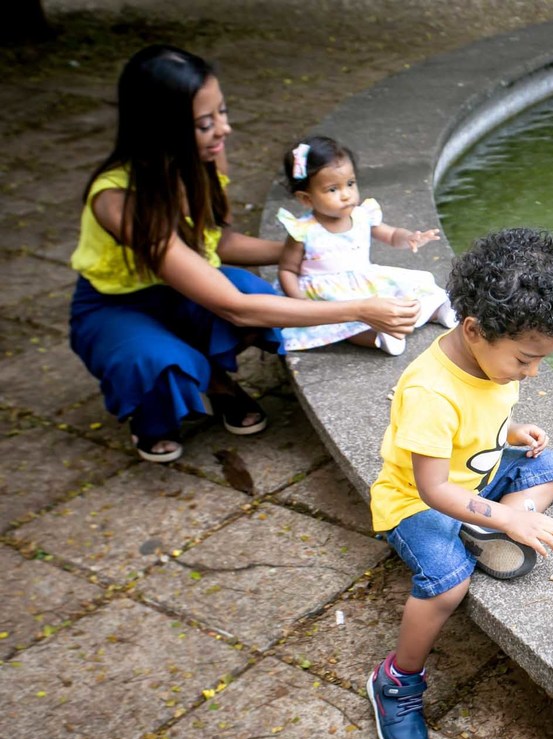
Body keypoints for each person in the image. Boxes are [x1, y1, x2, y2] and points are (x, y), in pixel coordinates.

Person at [68, 45, 420, 463]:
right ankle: (190, 394)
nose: (224, 130)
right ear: (160, 128)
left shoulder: (202, 158)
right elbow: (236, 308)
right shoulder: (118, 200)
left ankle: (211, 374)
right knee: (157, 360)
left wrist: (319, 247)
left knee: (262, 295)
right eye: (204, 123)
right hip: (118, 304)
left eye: (222, 112)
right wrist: (358, 308)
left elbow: (219, 241)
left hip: (186, 285)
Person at [366, 228, 553, 739]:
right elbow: (432, 485)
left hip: (475, 478)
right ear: (473, 329)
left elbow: (487, 416)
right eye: (525, 360)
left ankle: (483, 526)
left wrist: (512, 433)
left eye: (540, 360)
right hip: (417, 501)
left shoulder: (492, 357)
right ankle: (397, 680)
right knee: (446, 584)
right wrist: (514, 520)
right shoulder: (430, 392)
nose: (532, 371)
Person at [277, 136, 455, 355]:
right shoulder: (302, 230)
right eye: (332, 190)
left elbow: (390, 234)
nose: (346, 195)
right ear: (306, 198)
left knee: (411, 286)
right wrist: (300, 301)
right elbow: (287, 269)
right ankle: (380, 338)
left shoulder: (362, 215)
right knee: (345, 327)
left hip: (366, 280)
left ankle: (435, 311)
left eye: (350, 184)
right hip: (328, 295)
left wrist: (409, 237)